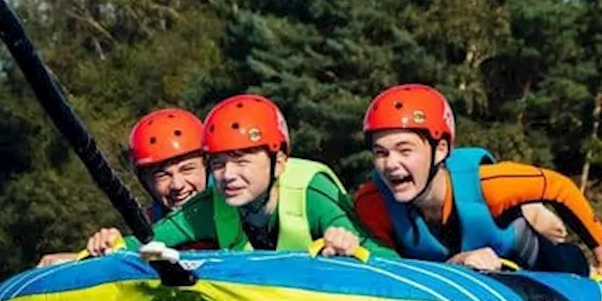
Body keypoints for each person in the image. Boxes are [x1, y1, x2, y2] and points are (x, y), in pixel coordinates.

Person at [351, 83, 602, 281]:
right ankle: (531, 212)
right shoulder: (372, 201)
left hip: (527, 257)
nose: (390, 164)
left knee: (565, 261)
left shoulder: (490, 185)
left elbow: (560, 187)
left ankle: (531, 213)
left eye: (405, 150)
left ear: (439, 150)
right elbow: (389, 268)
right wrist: (459, 263)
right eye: (380, 153)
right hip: (456, 268)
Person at [84, 93, 397, 260]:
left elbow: (385, 258)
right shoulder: (208, 206)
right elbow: (144, 243)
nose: (228, 176)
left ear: (280, 161)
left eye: (241, 161)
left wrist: (350, 246)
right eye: (217, 164)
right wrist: (103, 244)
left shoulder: (312, 192)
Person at [37, 108, 213, 267]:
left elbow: (154, 239)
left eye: (188, 169)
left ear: (207, 167)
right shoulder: (149, 219)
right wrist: (101, 248)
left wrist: (85, 258)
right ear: (146, 182)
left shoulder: (223, 205)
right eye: (162, 175)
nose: (177, 185)